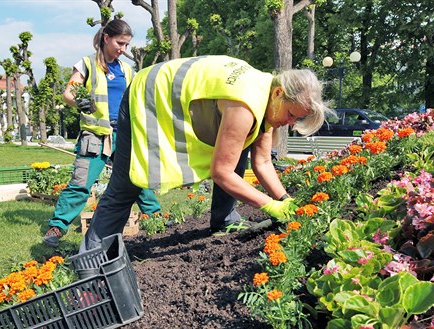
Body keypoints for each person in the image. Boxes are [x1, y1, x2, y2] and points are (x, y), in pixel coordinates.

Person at [81, 55, 331, 252]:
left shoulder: (269, 97)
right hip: (149, 94)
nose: (290, 123)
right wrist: (271, 206)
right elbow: (221, 172)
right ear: (279, 94)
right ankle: (92, 259)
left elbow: (263, 162)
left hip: (171, 93)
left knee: (238, 150)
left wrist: (285, 200)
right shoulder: (246, 103)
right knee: (126, 185)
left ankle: (224, 219)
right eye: (291, 115)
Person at [43, 19, 161, 247]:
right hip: (96, 137)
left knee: (139, 179)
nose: (123, 49)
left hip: (125, 135)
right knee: (81, 183)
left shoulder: (127, 69)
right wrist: (82, 103)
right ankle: (56, 228)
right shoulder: (87, 64)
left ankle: (157, 220)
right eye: (120, 43)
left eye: (126, 45)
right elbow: (69, 93)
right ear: (106, 37)